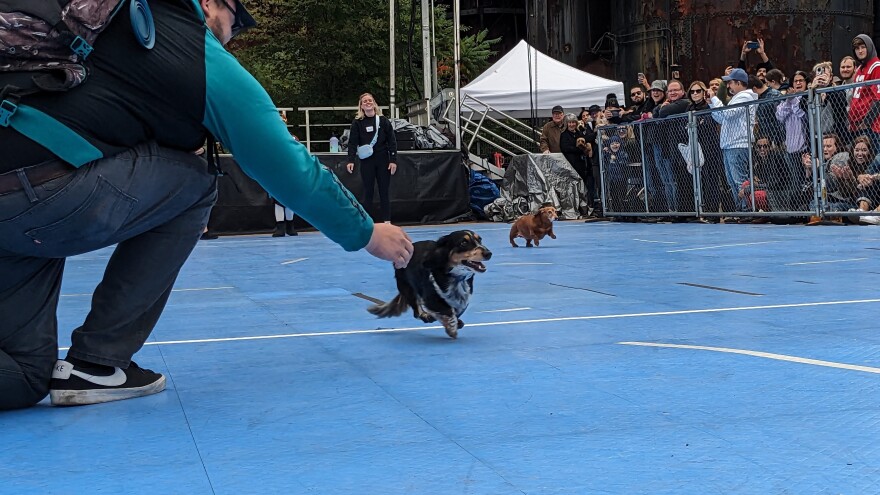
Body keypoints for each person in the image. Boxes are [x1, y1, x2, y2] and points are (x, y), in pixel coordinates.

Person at [0, 0, 414, 410]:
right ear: (210, 3)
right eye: (233, 24)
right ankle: (98, 361)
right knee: (195, 180)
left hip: (17, 213)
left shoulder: (95, 28)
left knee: (23, 373)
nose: (229, 40)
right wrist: (366, 233)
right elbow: (284, 165)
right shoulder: (184, 39)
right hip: (39, 197)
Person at [708, 69, 759, 213]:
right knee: (732, 181)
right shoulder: (737, 98)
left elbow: (728, 114)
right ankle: (741, 209)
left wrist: (715, 99)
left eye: (730, 82)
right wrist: (712, 104)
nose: (729, 86)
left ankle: (747, 209)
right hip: (729, 144)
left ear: (738, 83)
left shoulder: (745, 96)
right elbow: (721, 118)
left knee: (739, 181)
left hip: (738, 143)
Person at [345, 92, 398, 224]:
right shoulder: (357, 123)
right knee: (368, 190)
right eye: (365, 101)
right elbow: (352, 142)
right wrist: (350, 160)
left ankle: (387, 221)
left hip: (383, 159)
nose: (368, 103)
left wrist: (393, 160)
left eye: (370, 100)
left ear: (374, 103)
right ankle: (367, 221)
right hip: (367, 160)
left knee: (384, 190)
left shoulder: (383, 121)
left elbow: (392, 141)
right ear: (361, 106)